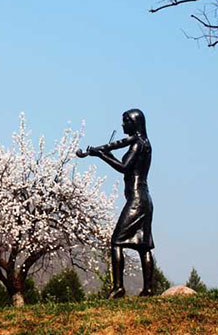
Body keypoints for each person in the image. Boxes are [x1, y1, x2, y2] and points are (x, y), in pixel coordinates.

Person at [81, 109, 154, 298]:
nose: (122, 125)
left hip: (136, 199)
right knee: (143, 245)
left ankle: (118, 287)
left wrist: (101, 155)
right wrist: (103, 152)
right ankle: (148, 288)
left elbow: (124, 167)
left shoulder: (137, 144)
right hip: (145, 198)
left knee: (116, 241)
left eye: (125, 121)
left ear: (134, 123)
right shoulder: (144, 143)